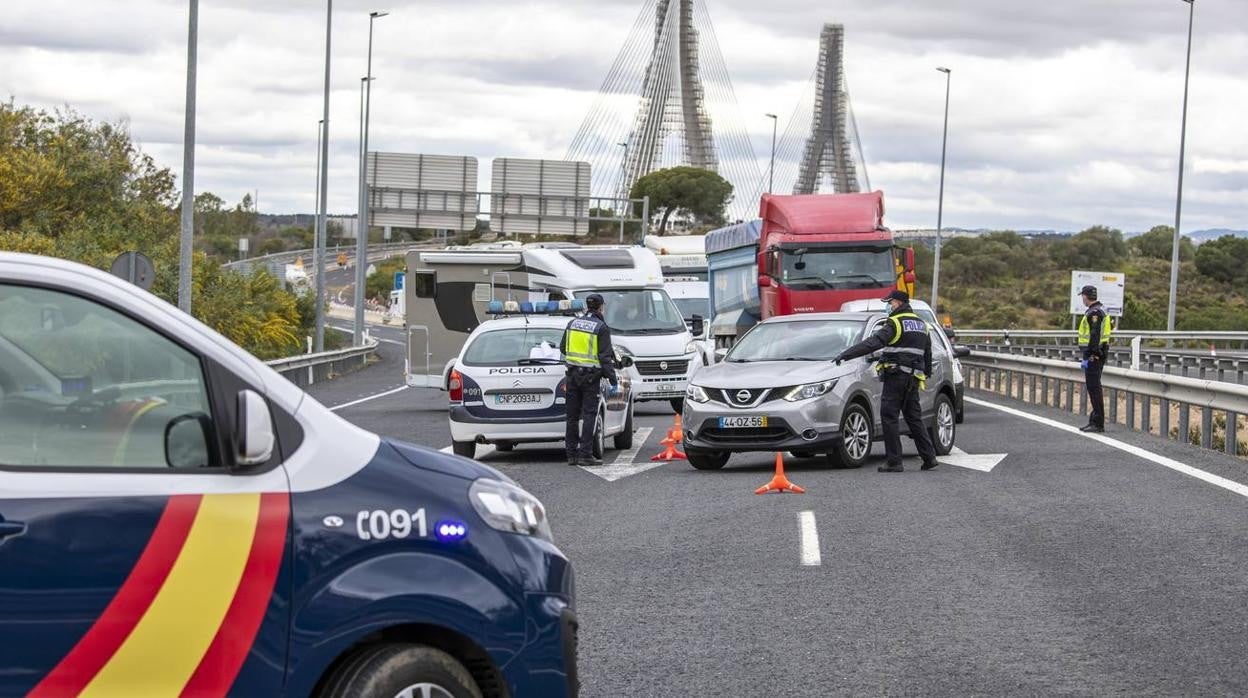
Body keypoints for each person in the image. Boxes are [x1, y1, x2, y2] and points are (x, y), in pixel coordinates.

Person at [833, 289, 939, 473]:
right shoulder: (921, 324)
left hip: (896, 376)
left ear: (898, 303)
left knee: (889, 417)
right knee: (914, 418)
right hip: (913, 377)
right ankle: (929, 458)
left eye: (890, 303)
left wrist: (847, 354)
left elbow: (873, 343)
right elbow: (927, 352)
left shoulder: (895, 322)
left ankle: (894, 461)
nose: (888, 307)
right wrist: (926, 372)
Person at [560, 293, 619, 466]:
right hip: (590, 379)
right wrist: (613, 380)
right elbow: (605, 358)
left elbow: (564, 347)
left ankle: (571, 455)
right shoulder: (600, 327)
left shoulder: (572, 324)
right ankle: (585, 454)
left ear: (587, 306)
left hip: (571, 376)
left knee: (571, 416)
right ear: (601, 307)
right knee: (589, 415)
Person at [1078, 284, 1112, 433]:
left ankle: (1098, 423)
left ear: (1086, 296)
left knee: (1094, 388)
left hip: (1094, 355)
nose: (1082, 299)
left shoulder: (1094, 313)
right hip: (1097, 354)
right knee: (1094, 388)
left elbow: (1094, 336)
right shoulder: (1100, 309)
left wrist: (1089, 354)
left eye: (1082, 296)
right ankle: (1094, 419)